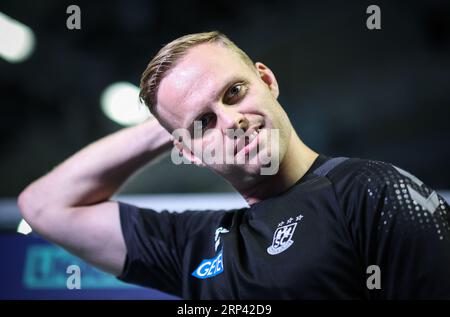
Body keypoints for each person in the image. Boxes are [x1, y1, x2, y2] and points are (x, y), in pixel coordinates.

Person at [18, 31, 450, 299]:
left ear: (267, 80)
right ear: (184, 149)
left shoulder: (374, 192)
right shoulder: (198, 246)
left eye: (234, 92)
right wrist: (167, 121)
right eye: (204, 123)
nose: (233, 121)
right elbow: (43, 206)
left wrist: (190, 117)